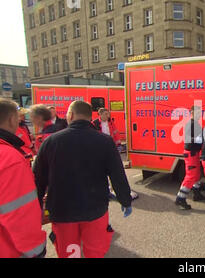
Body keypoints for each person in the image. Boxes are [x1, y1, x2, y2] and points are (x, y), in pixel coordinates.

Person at [33, 100, 132, 258]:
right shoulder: (104, 141)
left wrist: (35, 207)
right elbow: (117, 174)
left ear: (70, 115)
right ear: (89, 116)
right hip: (95, 209)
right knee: (95, 252)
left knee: (69, 252)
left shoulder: (51, 142)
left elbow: (38, 179)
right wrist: (125, 200)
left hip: (62, 211)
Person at [0, 98, 47, 258]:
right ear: (12, 119)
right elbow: (19, 213)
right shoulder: (10, 158)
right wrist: (35, 250)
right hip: (10, 249)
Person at [175, 106, 205, 210]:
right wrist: (203, 138)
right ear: (192, 112)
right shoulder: (192, 124)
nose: (199, 114)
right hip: (191, 153)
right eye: (197, 112)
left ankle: (196, 194)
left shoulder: (194, 124)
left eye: (200, 112)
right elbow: (191, 139)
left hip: (194, 152)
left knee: (197, 174)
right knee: (191, 176)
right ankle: (180, 198)